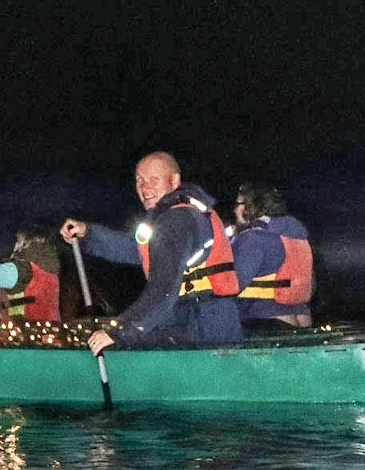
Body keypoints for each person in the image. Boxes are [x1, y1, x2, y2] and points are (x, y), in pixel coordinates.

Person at [60, 150, 242, 354]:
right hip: (202, 318)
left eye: (153, 180)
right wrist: (89, 234)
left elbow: (163, 288)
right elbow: (134, 248)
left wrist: (119, 331)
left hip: (202, 323)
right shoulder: (175, 216)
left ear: (174, 181)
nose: (145, 188)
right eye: (139, 181)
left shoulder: (176, 220)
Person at [230, 182, 314, 330]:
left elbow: (232, 284)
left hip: (264, 320)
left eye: (238, 203)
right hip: (302, 319)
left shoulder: (252, 238)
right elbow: (311, 284)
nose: (234, 209)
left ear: (250, 205)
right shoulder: (297, 237)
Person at [0, 225, 63, 323]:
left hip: (25, 333)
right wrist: (2, 304)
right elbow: (34, 298)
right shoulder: (47, 268)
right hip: (49, 330)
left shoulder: (19, 269)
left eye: (17, 241)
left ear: (22, 243)